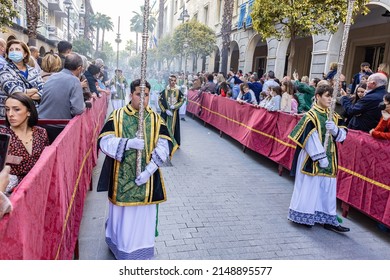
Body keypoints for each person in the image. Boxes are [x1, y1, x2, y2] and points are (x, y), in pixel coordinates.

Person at [97, 79, 176, 260]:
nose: (143, 99)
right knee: (123, 217)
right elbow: (104, 141)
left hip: (147, 180)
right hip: (122, 178)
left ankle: (142, 249)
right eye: (139, 94)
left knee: (143, 217)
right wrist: (126, 143)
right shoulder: (117, 116)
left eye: (146, 95)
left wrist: (149, 170)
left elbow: (165, 145)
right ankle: (121, 247)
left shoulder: (156, 119)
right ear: (131, 94)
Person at [288, 85, 350, 232]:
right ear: (318, 96)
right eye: (327, 95)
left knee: (327, 188)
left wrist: (335, 130)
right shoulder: (310, 116)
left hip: (331, 158)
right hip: (312, 158)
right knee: (311, 186)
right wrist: (321, 157)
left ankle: (328, 219)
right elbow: (310, 139)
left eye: (332, 96)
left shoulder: (334, 116)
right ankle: (305, 215)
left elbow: (343, 136)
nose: (330, 99)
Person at [0, 93, 49, 192]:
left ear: (28, 112)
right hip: (12, 192)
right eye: (7, 109)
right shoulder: (3, 135)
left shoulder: (41, 133)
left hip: (39, 186)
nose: (10, 114)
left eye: (16, 109)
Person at [38, 53, 85, 143]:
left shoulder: (52, 76)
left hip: (41, 123)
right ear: (79, 68)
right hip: (59, 127)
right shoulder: (75, 80)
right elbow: (77, 109)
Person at [0, 39, 44, 117]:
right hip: (11, 116)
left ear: (25, 54)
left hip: (31, 115)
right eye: (11, 50)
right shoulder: (4, 70)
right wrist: (35, 90)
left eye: (17, 49)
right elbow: (15, 92)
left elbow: (43, 90)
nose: (14, 52)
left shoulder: (33, 70)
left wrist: (25, 93)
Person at [158, 75, 184, 147]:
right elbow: (159, 101)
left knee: (174, 127)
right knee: (164, 127)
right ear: (169, 81)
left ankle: (173, 142)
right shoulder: (165, 91)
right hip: (166, 114)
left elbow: (182, 100)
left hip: (174, 113)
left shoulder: (178, 91)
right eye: (171, 80)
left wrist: (175, 106)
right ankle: (165, 142)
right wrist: (165, 110)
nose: (173, 82)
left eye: (174, 80)